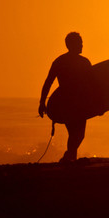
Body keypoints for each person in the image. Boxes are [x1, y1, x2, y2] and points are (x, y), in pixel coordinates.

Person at [38, 32, 93, 162]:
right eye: (79, 43)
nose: (82, 45)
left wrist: (100, 105)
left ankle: (69, 158)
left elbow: (92, 85)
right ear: (71, 45)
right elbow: (48, 82)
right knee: (76, 134)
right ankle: (69, 158)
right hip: (69, 103)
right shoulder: (63, 62)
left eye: (82, 43)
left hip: (78, 103)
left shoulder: (80, 62)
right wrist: (42, 103)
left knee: (78, 135)